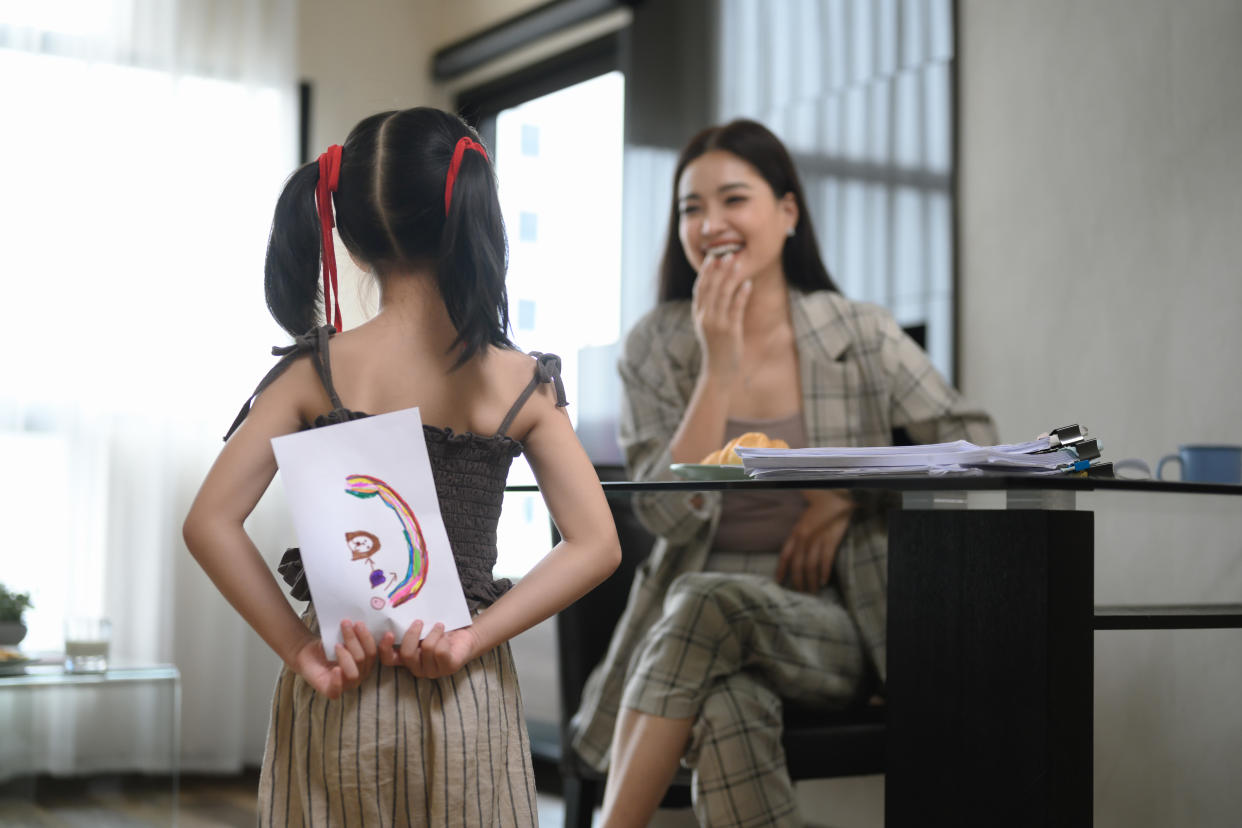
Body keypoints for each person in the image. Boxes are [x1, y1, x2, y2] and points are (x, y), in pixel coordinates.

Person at [182, 107, 620, 826]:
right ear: (472, 220)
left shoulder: (311, 374)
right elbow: (597, 544)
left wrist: (301, 649)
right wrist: (474, 635)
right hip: (465, 689)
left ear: (351, 245)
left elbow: (209, 524)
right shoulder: (520, 382)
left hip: (341, 683)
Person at [570, 119, 997, 827]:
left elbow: (973, 440)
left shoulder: (856, 332)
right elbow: (667, 515)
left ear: (788, 212)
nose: (710, 224)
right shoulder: (656, 344)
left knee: (711, 602)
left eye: (733, 199)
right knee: (726, 702)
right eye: (690, 209)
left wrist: (847, 499)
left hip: (833, 619)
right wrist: (717, 367)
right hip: (687, 631)